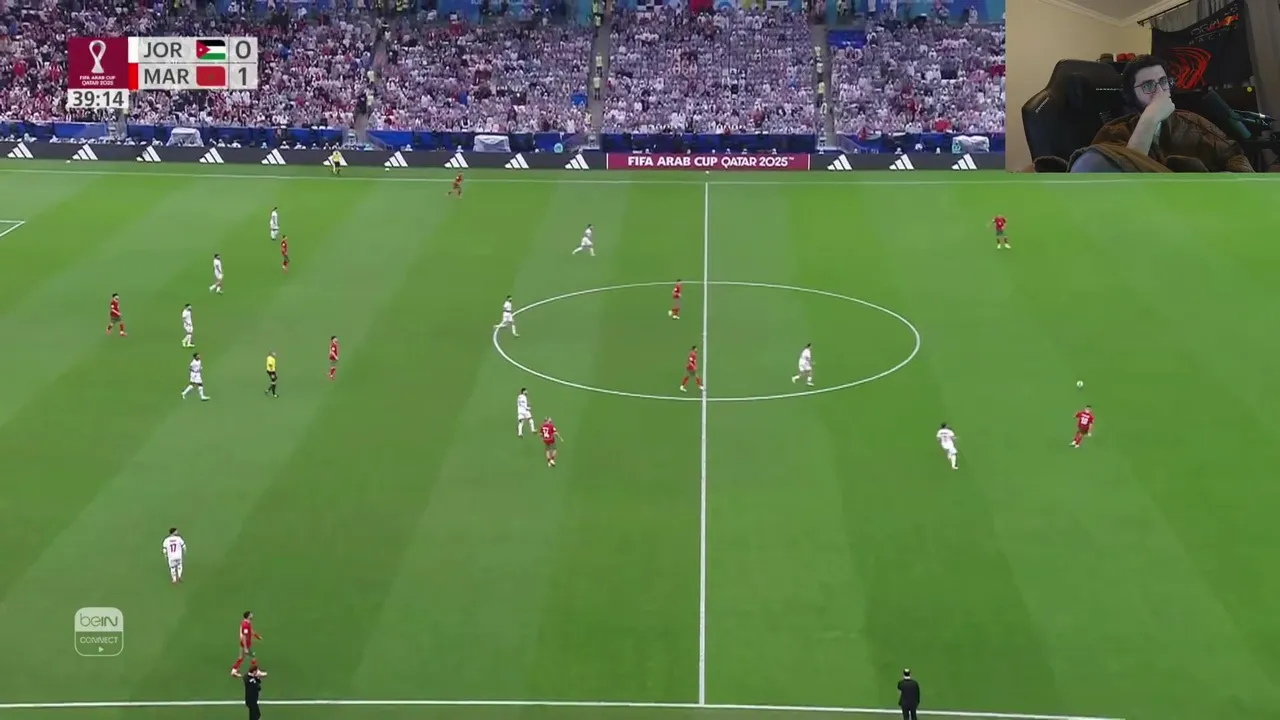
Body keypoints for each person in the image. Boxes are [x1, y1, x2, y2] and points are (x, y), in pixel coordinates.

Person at [1070, 55, 1253, 173]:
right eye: (1148, 85)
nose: (1160, 92)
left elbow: (1234, 155)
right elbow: (1122, 175)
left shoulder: (1192, 122)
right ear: (1132, 94)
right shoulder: (1114, 131)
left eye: (1163, 82)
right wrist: (1150, 118)